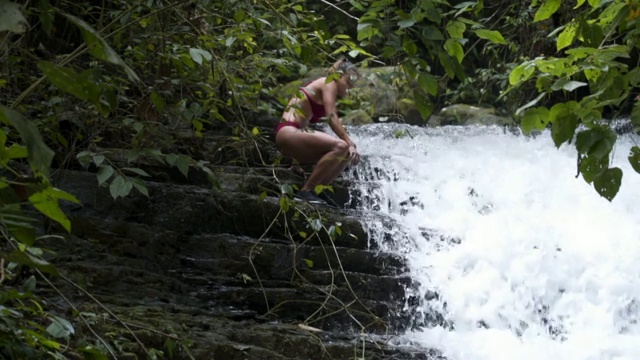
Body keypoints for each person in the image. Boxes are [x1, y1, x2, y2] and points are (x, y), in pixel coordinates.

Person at [275, 59, 361, 205]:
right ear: (339, 75)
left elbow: (305, 123)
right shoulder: (328, 82)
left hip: (294, 138)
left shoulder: (326, 86)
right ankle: (306, 191)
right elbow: (332, 118)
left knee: (345, 154)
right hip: (287, 133)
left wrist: (295, 163)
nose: (351, 86)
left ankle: (318, 191)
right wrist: (349, 142)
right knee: (342, 146)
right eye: (348, 81)